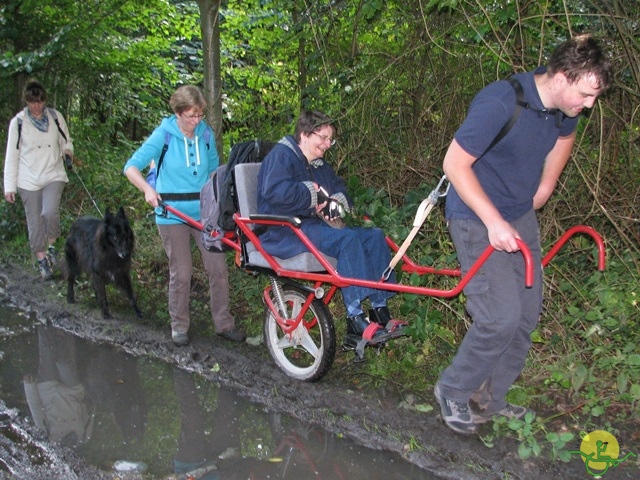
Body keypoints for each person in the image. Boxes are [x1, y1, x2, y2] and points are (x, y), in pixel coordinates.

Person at [434, 34, 613, 434]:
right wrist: (494, 222)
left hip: (519, 216)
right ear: (563, 77)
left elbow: (564, 137)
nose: (588, 106)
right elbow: (454, 164)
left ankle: (489, 399)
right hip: (475, 216)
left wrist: (546, 186)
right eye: (585, 94)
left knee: (526, 315)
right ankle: (452, 389)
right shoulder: (501, 101)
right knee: (500, 317)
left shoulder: (563, 110)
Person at [257, 110, 403, 348]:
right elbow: (274, 193)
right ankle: (355, 319)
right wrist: (311, 193)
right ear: (304, 134)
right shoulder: (281, 156)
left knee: (375, 236)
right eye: (323, 138)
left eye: (330, 139)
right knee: (346, 240)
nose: (327, 144)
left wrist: (338, 201)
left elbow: (339, 188)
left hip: (314, 226)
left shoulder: (318, 163)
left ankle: (380, 310)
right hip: (284, 230)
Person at [123, 85, 245, 346]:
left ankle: (224, 324)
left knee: (218, 269)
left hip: (204, 214)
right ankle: (179, 327)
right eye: (190, 116)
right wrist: (147, 189)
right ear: (178, 113)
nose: (195, 121)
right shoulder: (163, 136)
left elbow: (214, 171)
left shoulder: (206, 135)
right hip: (171, 214)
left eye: (199, 115)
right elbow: (130, 167)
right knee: (183, 271)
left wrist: (225, 196)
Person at [4, 79, 74, 280]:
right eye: (33, 102)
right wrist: (9, 186)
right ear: (26, 101)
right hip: (28, 179)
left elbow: (66, 140)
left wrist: (68, 152)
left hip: (53, 173)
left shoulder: (55, 117)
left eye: (40, 101)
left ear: (45, 100)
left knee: (50, 212)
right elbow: (12, 155)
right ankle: (42, 260)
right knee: (34, 221)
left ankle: (51, 246)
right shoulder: (18, 123)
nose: (37, 106)